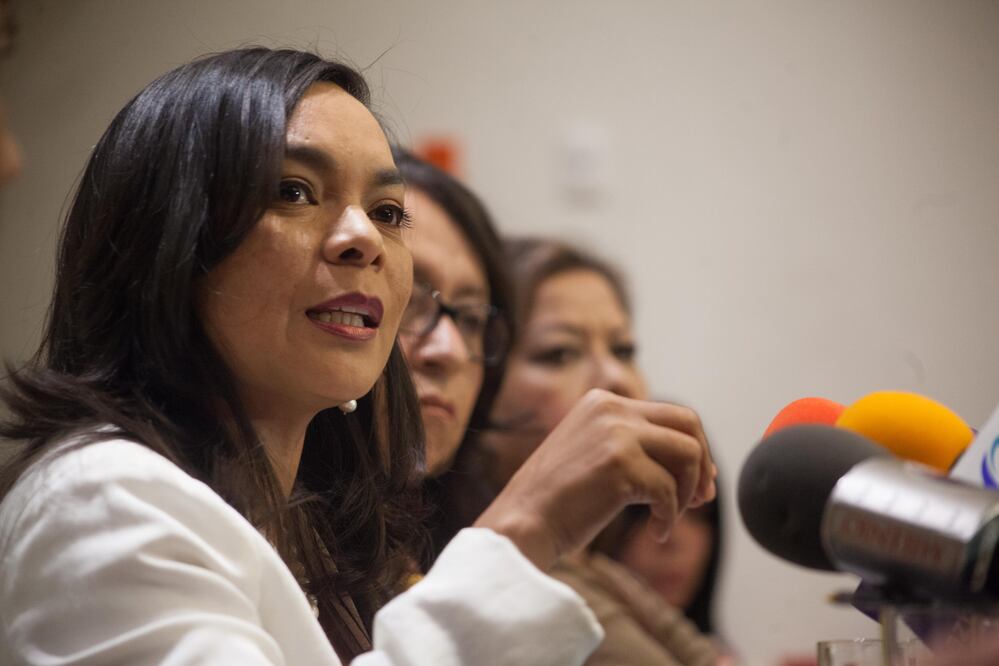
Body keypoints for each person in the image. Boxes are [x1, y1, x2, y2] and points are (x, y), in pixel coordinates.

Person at [0, 47, 713, 665]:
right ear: (166, 240)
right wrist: (526, 530)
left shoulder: (317, 536)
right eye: (294, 191)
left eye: (387, 211)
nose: (363, 238)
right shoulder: (104, 500)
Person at [478, 237, 723, 666]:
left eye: (622, 350)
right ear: (477, 385)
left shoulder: (592, 566)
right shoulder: (472, 572)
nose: (617, 379)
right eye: (559, 353)